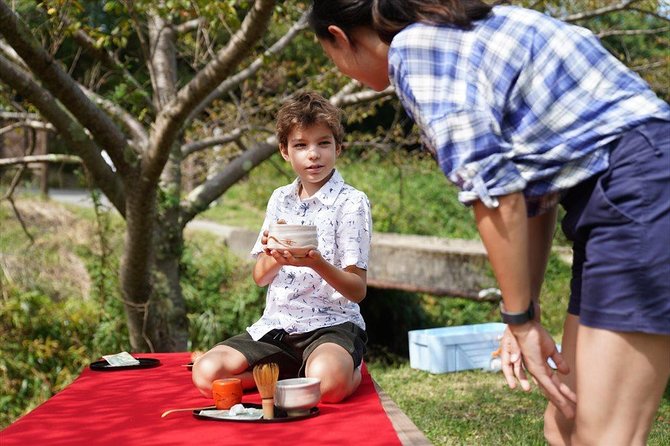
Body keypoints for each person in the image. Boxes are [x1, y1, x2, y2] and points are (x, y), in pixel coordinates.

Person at [308, 0, 670, 444]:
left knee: (603, 435)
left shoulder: (416, 49)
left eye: (331, 58)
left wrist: (519, 320)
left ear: (340, 37)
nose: (342, 72)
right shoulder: (455, 32)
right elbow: (530, 198)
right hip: (618, 195)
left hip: (642, 188)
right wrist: (526, 312)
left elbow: (495, 195)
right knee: (565, 421)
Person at [192, 91, 372, 403]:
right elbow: (260, 277)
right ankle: (294, 378)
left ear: (338, 148)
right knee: (206, 373)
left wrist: (315, 262)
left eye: (323, 143)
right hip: (278, 326)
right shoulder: (280, 198)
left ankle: (346, 372)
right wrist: (275, 256)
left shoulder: (351, 202)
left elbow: (357, 290)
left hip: (333, 325)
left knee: (328, 386)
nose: (312, 154)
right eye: (301, 145)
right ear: (285, 151)